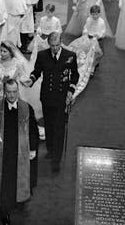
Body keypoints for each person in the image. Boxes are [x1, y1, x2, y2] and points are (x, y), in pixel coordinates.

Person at [0, 79, 38, 225]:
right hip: (2, 155)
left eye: (14, 92)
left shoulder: (26, 108)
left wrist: (33, 148)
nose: (12, 96)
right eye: (9, 92)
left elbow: (33, 130)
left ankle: (17, 201)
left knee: (18, 180)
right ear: (4, 92)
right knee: (4, 184)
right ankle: (4, 212)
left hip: (20, 153)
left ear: (18, 91)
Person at [25, 32, 78, 173]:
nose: (55, 48)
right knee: (49, 125)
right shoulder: (42, 55)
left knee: (59, 128)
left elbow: (75, 75)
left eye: (57, 45)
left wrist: (70, 91)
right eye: (52, 46)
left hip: (62, 98)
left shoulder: (70, 56)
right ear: (49, 44)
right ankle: (50, 149)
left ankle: (56, 160)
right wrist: (31, 80)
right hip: (47, 97)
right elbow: (36, 71)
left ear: (61, 42)